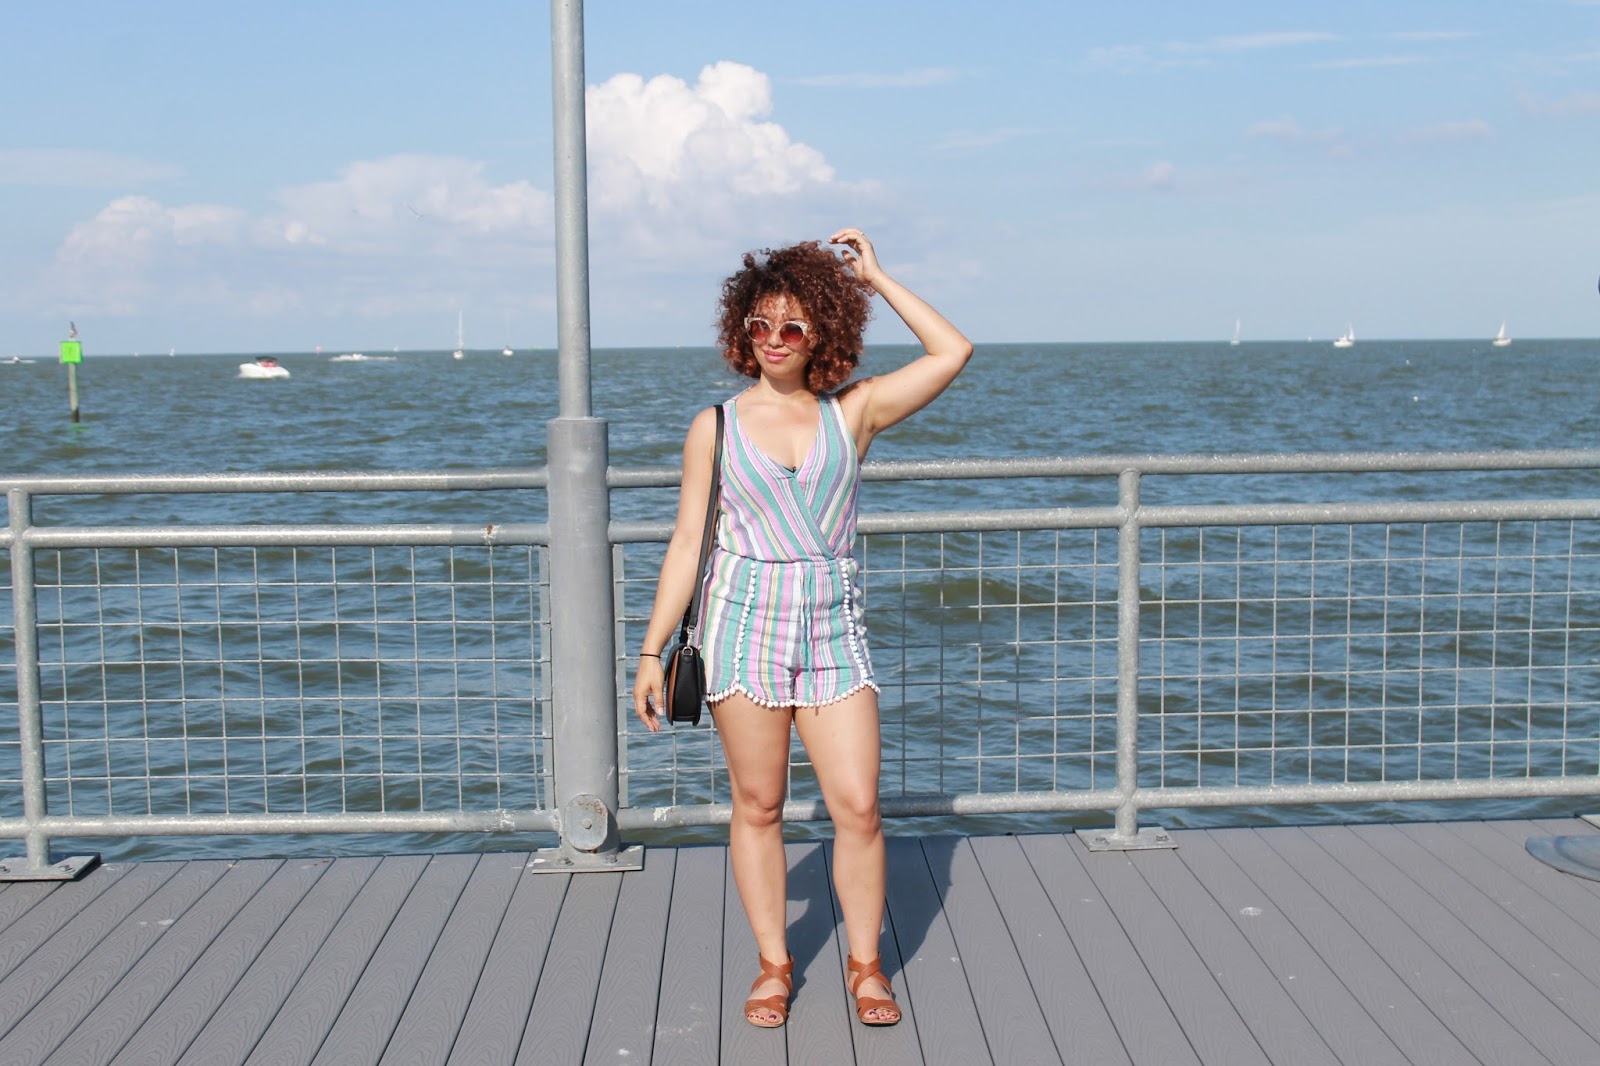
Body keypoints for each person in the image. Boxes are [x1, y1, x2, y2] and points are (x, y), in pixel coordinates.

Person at [633, 227, 972, 1028]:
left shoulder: (852, 413)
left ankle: (865, 966)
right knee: (759, 804)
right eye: (760, 324)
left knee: (858, 807)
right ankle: (774, 964)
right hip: (741, 624)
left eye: (793, 325)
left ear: (822, 331)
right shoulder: (714, 427)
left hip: (831, 629)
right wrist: (649, 650)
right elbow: (686, 542)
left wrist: (876, 279)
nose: (775, 339)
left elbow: (952, 351)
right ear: (741, 329)